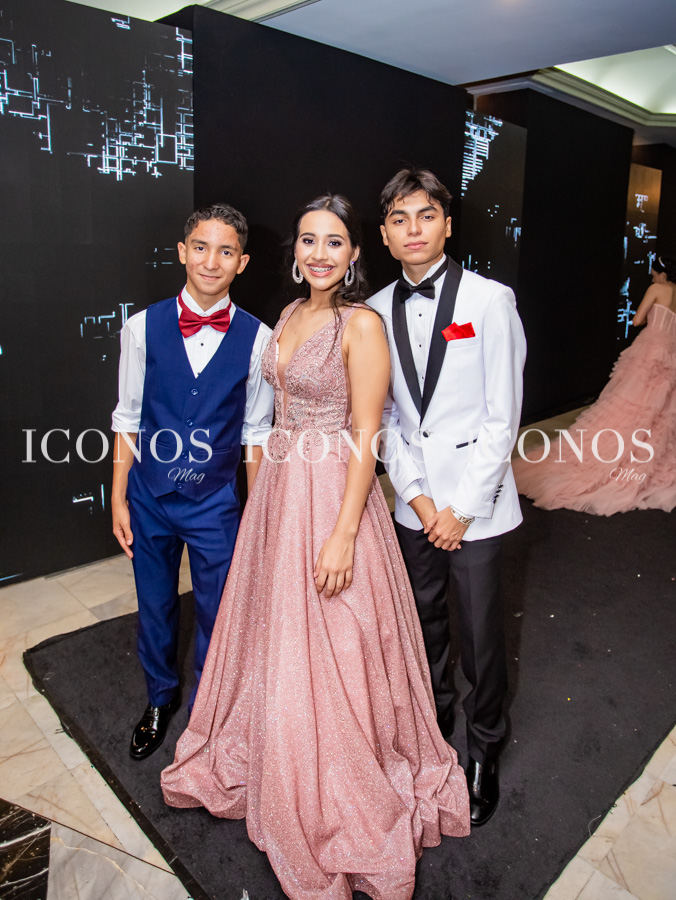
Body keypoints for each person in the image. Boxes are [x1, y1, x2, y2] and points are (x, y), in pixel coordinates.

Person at [161, 195, 470, 900]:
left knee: (339, 632)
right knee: (277, 628)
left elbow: (368, 435)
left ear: (354, 253)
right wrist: (260, 504)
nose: (320, 253)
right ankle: (275, 743)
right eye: (308, 240)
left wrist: (342, 534)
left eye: (334, 242)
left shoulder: (361, 325)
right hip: (280, 488)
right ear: (295, 251)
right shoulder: (288, 316)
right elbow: (270, 416)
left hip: (334, 490)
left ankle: (342, 770)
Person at [369, 167, 527, 827]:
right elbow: (383, 418)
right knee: (422, 625)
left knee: (482, 635)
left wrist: (461, 508)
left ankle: (485, 745)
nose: (413, 229)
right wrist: (418, 498)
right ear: (384, 234)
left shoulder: (490, 301)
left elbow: (503, 416)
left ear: (447, 224)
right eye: (399, 219)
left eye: (426, 216)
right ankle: (431, 729)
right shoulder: (373, 310)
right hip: (415, 506)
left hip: (476, 508)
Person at [111, 204, 274, 761]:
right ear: (182, 252)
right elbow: (127, 416)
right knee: (155, 606)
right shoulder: (141, 327)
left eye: (226, 251)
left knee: (218, 611)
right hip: (149, 496)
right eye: (201, 247)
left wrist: (255, 510)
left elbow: (255, 432)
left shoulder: (259, 339)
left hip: (215, 504)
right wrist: (118, 496)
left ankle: (208, 712)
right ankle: (160, 698)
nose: (211, 261)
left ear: (242, 262)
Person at [513, 253, 676, 515]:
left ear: (662, 273)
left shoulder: (657, 288)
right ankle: (641, 461)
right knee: (658, 413)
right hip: (670, 353)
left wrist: (651, 316)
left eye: (654, 271)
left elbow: (637, 320)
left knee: (627, 405)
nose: (652, 274)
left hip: (650, 350)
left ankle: (611, 455)